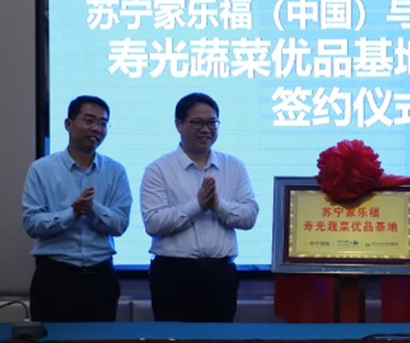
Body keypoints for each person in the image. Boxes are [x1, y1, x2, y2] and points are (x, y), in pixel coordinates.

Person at [140, 92, 259, 322]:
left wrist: (218, 205)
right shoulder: (158, 169)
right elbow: (153, 223)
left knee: (218, 341)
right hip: (173, 275)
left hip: (220, 275)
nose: (206, 129)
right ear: (179, 124)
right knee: (173, 341)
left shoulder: (234, 166)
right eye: (197, 123)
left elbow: (249, 216)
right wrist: (198, 206)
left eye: (212, 122)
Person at [22, 95, 132, 322]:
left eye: (103, 123)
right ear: (68, 124)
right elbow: (31, 224)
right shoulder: (41, 169)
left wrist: (92, 209)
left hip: (100, 278)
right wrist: (72, 214)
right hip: (55, 277)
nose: (97, 129)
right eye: (89, 120)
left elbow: (120, 225)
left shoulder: (115, 171)